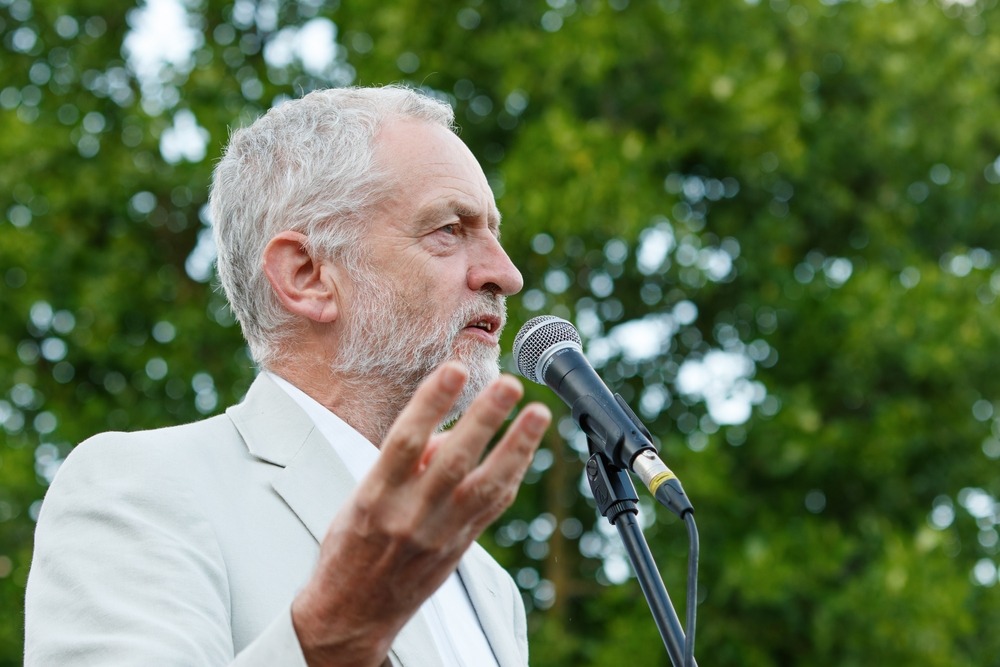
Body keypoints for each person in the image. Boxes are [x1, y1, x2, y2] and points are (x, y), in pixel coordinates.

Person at [24, 85, 552, 666]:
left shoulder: (489, 583)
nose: (505, 274)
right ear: (307, 275)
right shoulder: (138, 488)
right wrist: (329, 636)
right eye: (449, 229)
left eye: (493, 232)